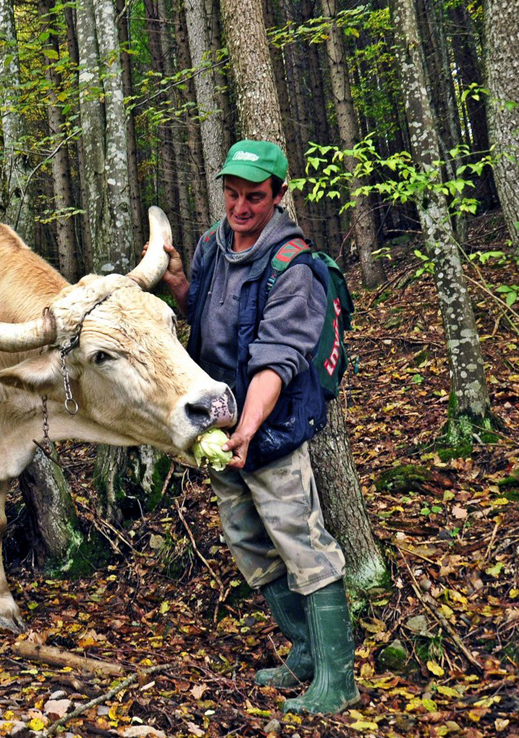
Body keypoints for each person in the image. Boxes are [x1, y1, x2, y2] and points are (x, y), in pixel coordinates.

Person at [161, 140, 358, 714]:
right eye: (232, 194)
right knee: (247, 537)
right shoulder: (210, 245)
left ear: (277, 196)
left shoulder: (293, 266)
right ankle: (303, 652)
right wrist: (179, 285)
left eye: (254, 196)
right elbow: (203, 314)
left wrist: (248, 430)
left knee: (301, 538)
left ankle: (337, 680)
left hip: (268, 423)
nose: (240, 207)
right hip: (218, 420)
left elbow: (277, 358)